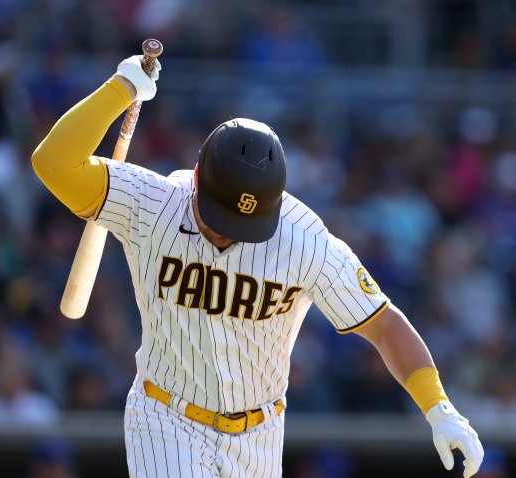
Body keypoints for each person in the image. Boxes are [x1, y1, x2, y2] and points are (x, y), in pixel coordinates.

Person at [32, 55, 483, 477]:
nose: (227, 232)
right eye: (220, 216)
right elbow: (53, 162)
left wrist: (439, 407)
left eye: (243, 222)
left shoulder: (303, 239)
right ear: (195, 180)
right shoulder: (153, 206)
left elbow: (382, 324)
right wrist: (121, 88)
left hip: (261, 435)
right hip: (167, 418)